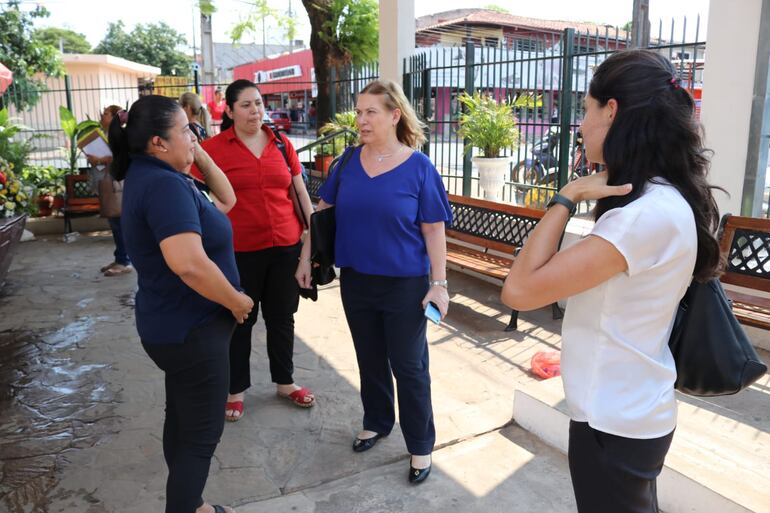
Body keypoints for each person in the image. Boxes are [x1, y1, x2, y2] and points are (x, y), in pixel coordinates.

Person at [500, 49, 722, 512]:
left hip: (613, 422)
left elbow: (518, 290)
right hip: (632, 411)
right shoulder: (665, 199)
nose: (580, 124)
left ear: (612, 110)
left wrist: (567, 195)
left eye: (585, 109)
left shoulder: (641, 218)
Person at [298, 79, 452, 484]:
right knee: (369, 357)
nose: (361, 119)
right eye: (359, 111)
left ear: (394, 115)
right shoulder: (347, 162)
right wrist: (305, 258)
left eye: (371, 112)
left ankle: (420, 445)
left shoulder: (419, 167)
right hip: (357, 281)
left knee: (409, 365)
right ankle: (378, 420)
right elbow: (322, 210)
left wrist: (440, 283)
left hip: (405, 285)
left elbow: (434, 230)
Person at [109, 94, 254, 513]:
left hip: (175, 329)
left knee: (182, 420)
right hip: (192, 331)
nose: (194, 136)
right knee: (200, 439)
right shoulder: (164, 187)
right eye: (185, 131)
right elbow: (188, 264)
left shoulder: (162, 176)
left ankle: (195, 506)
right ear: (157, 142)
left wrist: (194, 150)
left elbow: (227, 200)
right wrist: (238, 301)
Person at [193, 79, 317, 422]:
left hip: (285, 246)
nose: (255, 111)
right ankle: (235, 390)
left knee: (282, 317)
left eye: (259, 103)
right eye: (246, 105)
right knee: (240, 319)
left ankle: (285, 382)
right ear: (229, 111)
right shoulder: (213, 150)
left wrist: (312, 235)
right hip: (238, 250)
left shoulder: (279, 142)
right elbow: (195, 196)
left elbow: (299, 190)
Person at [86, 104, 131, 277]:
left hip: (116, 185)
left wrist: (100, 159)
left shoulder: (118, 134)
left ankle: (124, 261)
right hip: (109, 184)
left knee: (119, 223)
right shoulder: (105, 134)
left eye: (106, 113)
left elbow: (119, 157)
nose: (102, 116)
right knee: (114, 223)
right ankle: (119, 257)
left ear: (114, 117)